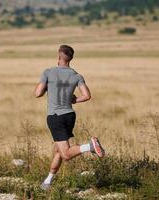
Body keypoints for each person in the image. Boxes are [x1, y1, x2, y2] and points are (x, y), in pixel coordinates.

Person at [35, 44, 105, 191]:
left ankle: (90, 146)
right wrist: (74, 100)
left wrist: (47, 85)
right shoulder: (76, 75)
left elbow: (38, 93)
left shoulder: (48, 72)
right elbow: (87, 96)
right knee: (58, 151)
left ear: (59, 57)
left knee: (66, 154)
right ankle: (47, 182)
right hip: (69, 115)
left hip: (55, 117)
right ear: (70, 59)